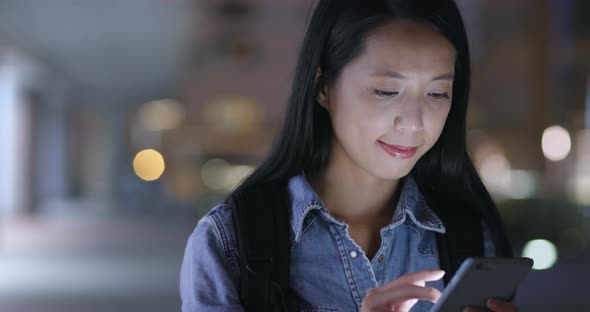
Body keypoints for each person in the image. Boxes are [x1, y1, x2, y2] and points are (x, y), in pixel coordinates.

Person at [180, 0, 518, 311]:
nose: (414, 122)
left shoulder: (470, 238)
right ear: (322, 86)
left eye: (437, 93)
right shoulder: (232, 242)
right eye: (386, 91)